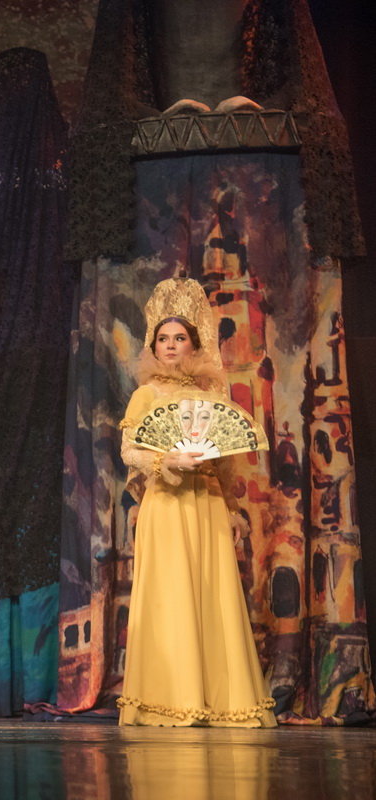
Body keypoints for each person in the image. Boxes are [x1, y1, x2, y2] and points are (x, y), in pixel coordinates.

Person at [116, 277, 276, 727]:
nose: (170, 346)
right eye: (163, 339)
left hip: (207, 502)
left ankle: (221, 701)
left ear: (194, 343)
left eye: (179, 338)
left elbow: (224, 462)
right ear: (154, 346)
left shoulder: (211, 397)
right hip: (167, 503)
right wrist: (166, 460)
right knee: (171, 597)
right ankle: (170, 699)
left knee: (212, 596)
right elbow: (129, 451)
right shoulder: (146, 395)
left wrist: (232, 510)